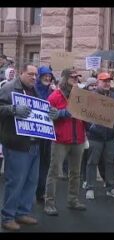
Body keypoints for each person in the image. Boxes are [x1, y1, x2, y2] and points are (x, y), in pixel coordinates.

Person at [0, 64, 52, 231]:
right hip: (16, 144)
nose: (34, 77)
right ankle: (8, 216)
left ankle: (22, 212)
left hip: (34, 143)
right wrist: (13, 109)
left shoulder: (34, 91)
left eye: (36, 75)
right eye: (30, 74)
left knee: (31, 181)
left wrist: (50, 113)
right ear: (21, 72)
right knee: (15, 181)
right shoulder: (8, 88)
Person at [44, 68, 87, 216]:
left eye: (77, 78)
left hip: (78, 138)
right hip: (60, 139)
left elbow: (86, 114)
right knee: (54, 172)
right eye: (73, 78)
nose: (76, 80)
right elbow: (48, 115)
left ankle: (73, 200)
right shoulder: (54, 96)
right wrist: (62, 113)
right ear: (65, 79)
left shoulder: (81, 96)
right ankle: (49, 203)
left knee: (75, 172)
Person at [85, 72, 114, 200]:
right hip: (95, 136)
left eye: (108, 81)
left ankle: (110, 187)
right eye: (104, 81)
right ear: (98, 82)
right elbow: (84, 115)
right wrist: (90, 128)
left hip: (110, 137)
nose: (107, 83)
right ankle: (90, 187)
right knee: (92, 162)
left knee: (110, 162)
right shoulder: (91, 97)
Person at [33, 66, 55, 204]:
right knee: (33, 163)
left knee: (45, 164)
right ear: (40, 77)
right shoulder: (33, 90)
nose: (47, 78)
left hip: (47, 135)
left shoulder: (52, 92)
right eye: (45, 76)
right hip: (33, 134)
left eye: (49, 76)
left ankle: (40, 192)